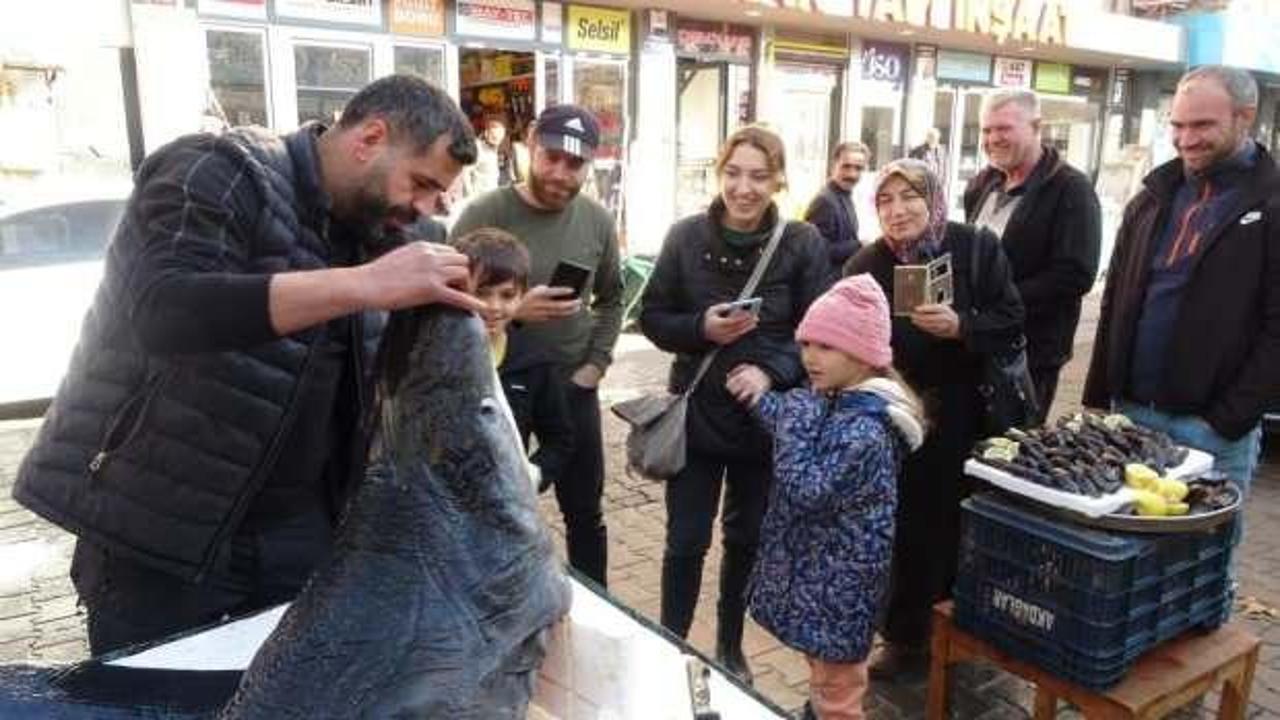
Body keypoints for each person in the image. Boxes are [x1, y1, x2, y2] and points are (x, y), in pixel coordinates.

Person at [12, 75, 485, 654]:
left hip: (302, 536)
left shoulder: (378, 232)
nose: (421, 209)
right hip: (161, 535)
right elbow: (163, 311)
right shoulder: (218, 169)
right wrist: (363, 285)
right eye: (420, 183)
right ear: (370, 137)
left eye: (436, 197)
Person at [639, 125, 831, 682]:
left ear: (778, 181)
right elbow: (650, 317)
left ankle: (729, 644)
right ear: (719, 173)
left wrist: (773, 372)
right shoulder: (684, 236)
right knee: (686, 540)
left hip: (762, 425)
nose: (743, 188)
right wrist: (700, 327)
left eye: (758, 175)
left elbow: (818, 331)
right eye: (733, 173)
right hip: (696, 417)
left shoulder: (803, 243)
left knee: (745, 539)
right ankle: (670, 644)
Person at [844, 159, 1023, 680]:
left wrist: (961, 325)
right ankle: (905, 638)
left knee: (956, 524)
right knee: (902, 530)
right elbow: (843, 338)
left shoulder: (974, 248)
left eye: (909, 197)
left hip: (965, 412)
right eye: (885, 201)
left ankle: (960, 628)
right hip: (896, 414)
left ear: (934, 197)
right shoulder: (866, 264)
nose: (898, 211)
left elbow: (1011, 317)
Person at [1083, 65, 1280, 496]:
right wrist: (1099, 399)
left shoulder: (1271, 202)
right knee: (1125, 551)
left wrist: (1228, 419)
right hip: (1129, 418)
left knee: (1202, 561)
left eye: (1202, 125)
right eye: (1178, 125)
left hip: (1211, 430)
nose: (1186, 139)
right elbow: (1115, 300)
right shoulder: (1152, 196)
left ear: (1245, 117)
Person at [450, 104, 624, 588]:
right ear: (530, 143)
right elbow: (442, 299)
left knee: (585, 512)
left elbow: (613, 298)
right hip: (497, 384)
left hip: (572, 386)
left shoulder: (596, 220)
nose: (560, 174)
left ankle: (600, 604)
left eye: (575, 165)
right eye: (551, 158)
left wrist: (596, 364)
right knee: (486, 511)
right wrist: (514, 311)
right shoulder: (485, 213)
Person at [739, 275, 925, 720]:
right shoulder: (841, 399)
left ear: (862, 355)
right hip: (825, 584)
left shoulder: (866, 430)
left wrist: (793, 414)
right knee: (824, 675)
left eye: (825, 347)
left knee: (838, 692)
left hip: (841, 592)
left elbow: (805, 487)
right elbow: (797, 417)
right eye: (805, 344)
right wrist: (761, 400)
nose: (808, 358)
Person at [964, 90, 1101, 421]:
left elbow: (1074, 275)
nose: (993, 138)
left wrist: (1002, 303)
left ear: (1037, 127)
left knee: (1010, 448)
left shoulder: (1071, 188)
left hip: (1031, 353)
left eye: (1004, 128)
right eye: (986, 130)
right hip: (978, 342)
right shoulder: (984, 182)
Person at [454, 227, 574, 494]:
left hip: (505, 505)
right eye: (481, 293)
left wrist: (533, 476)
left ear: (523, 295)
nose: (494, 306)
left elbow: (559, 438)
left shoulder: (535, 362)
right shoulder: (435, 356)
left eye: (507, 295)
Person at [804, 141, 870, 273]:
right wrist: (859, 245)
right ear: (833, 166)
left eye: (858, 168)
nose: (852, 174)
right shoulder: (824, 202)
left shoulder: (843, 195)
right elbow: (816, 251)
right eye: (846, 166)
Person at [464, 115, 511, 196]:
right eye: (494, 137)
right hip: (478, 197)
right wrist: (470, 196)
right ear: (486, 133)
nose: (498, 141)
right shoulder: (477, 148)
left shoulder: (495, 149)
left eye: (500, 138)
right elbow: (465, 174)